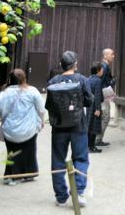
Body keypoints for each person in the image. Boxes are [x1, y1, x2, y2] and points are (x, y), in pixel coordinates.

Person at [45, 51, 93, 208]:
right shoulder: (82, 80)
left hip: (59, 127)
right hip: (78, 125)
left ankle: (61, 196)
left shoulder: (53, 81)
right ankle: (78, 192)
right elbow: (89, 100)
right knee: (80, 158)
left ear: (61, 65)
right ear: (75, 64)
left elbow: (49, 105)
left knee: (58, 159)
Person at [0, 69, 45, 185]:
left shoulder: (4, 94)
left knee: (12, 152)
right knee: (29, 150)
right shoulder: (32, 91)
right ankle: (28, 173)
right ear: (24, 78)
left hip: (10, 131)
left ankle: (12, 175)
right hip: (29, 129)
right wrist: (41, 122)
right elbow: (41, 110)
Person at [96, 48, 115, 147]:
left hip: (103, 93)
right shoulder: (104, 66)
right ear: (105, 56)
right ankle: (97, 139)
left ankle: (97, 138)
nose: (113, 56)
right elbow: (99, 82)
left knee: (102, 116)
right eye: (111, 54)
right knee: (105, 117)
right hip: (103, 94)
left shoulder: (105, 66)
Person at [87, 62, 104, 153]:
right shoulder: (98, 80)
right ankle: (92, 147)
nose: (103, 70)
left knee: (88, 126)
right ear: (98, 71)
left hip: (88, 105)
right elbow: (97, 95)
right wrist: (98, 109)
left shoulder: (88, 79)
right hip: (94, 106)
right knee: (94, 127)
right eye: (102, 69)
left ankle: (87, 146)